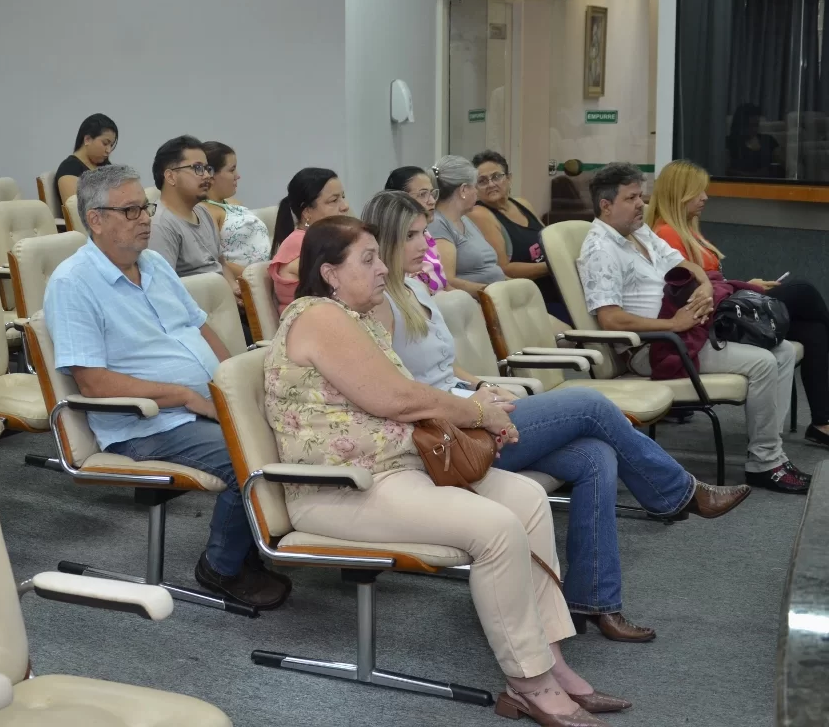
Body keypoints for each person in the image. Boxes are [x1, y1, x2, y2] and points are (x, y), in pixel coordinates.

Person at [264, 216, 625, 725]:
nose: (382, 268)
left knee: (526, 500)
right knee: (496, 528)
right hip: (343, 488)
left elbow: (406, 397)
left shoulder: (357, 318)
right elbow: (396, 399)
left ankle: (550, 660)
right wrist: (478, 412)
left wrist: (474, 406)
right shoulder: (319, 316)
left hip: (398, 470)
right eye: (367, 259)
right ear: (329, 273)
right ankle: (529, 682)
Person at [362, 190, 750, 642]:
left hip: (471, 410)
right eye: (412, 235)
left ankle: (594, 601)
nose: (424, 243)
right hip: (447, 436)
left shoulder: (413, 289)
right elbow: (401, 391)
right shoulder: (379, 305)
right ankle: (678, 492)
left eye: (424, 232)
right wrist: (475, 405)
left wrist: (482, 385)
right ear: (385, 241)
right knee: (589, 404)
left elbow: (442, 369)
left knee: (596, 455)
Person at [44, 165, 289, 610]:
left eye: (146, 208)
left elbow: (201, 329)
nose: (145, 219)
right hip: (145, 423)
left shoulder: (153, 264)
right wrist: (186, 396)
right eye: (131, 210)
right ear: (95, 219)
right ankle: (221, 566)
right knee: (248, 457)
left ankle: (255, 546)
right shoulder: (72, 283)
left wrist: (233, 387)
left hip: (200, 406)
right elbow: (93, 383)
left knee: (286, 433)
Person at [578, 162, 810, 494]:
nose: (641, 204)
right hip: (654, 347)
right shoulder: (601, 250)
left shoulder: (638, 232)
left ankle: (769, 450)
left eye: (641, 196)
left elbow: (683, 262)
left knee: (783, 350)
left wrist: (702, 284)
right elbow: (610, 319)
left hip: (685, 329)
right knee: (763, 362)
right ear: (606, 205)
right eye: (631, 198)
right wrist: (674, 323)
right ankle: (765, 463)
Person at [648, 159, 829, 448]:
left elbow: (714, 284)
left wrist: (747, 284)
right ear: (678, 194)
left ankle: (821, 422)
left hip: (725, 309)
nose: (705, 197)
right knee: (803, 291)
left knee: (813, 330)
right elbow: (692, 293)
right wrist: (745, 288)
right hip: (714, 320)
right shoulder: (667, 235)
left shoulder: (688, 231)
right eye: (698, 192)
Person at [467, 150, 570, 324]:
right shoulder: (479, 214)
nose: (491, 184)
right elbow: (503, 269)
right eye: (482, 181)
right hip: (530, 299)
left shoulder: (523, 204)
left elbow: (548, 242)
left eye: (496, 177)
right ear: (475, 187)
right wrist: (553, 265)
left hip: (559, 287)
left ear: (509, 178)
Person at [148, 135, 240, 298]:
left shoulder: (202, 212)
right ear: (170, 177)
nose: (207, 175)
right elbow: (165, 289)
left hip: (223, 302)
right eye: (197, 168)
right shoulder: (160, 224)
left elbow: (221, 264)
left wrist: (235, 291)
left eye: (207, 168)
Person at [268, 168, 349, 312]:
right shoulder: (300, 245)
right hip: (311, 322)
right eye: (334, 200)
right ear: (307, 212)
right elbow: (346, 287)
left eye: (343, 197)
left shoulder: (322, 239)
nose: (345, 206)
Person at [428, 155, 506, 296]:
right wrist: (496, 293)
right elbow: (448, 281)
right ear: (463, 190)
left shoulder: (464, 219)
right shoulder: (437, 224)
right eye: (475, 186)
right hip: (479, 302)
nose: (477, 192)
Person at [202, 141, 271, 269]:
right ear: (210, 174)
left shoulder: (233, 203)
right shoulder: (205, 212)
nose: (237, 176)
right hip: (246, 277)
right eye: (231, 170)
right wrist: (254, 275)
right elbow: (213, 261)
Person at [383, 166, 446, 293]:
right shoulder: (392, 241)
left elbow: (445, 285)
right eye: (423, 194)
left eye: (432, 193)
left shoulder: (426, 235)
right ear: (400, 199)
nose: (432, 201)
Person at [54, 113, 117, 207]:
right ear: (87, 139)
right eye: (105, 143)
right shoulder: (69, 168)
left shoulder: (105, 165)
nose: (109, 150)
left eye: (111, 145)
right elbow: (76, 210)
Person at [725, 103, 781, 179]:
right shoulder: (730, 142)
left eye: (756, 125)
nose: (754, 129)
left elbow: (781, 165)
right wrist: (753, 175)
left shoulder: (768, 140)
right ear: (741, 124)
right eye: (750, 125)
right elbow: (726, 171)